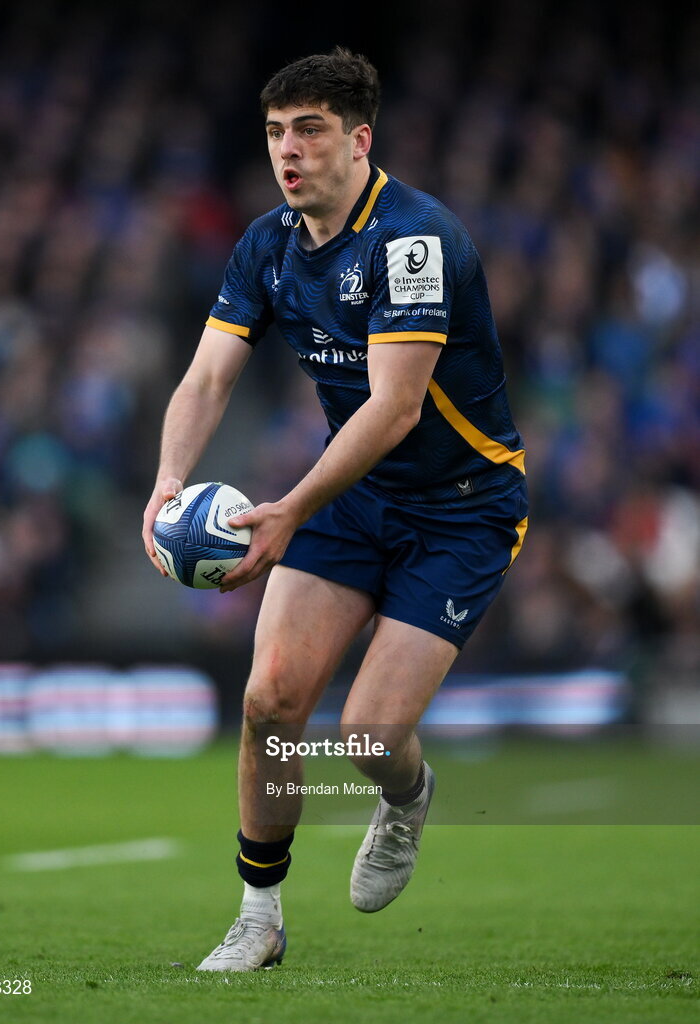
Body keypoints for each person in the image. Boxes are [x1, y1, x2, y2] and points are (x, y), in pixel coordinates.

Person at [142, 47, 528, 972]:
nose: (289, 150)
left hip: (462, 510)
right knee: (270, 702)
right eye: (277, 131)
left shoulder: (414, 241)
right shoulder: (266, 243)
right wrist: (166, 481)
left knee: (368, 736)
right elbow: (206, 377)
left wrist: (287, 510)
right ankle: (257, 917)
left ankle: (406, 795)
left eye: (310, 129)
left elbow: (394, 408)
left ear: (360, 139)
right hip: (354, 500)